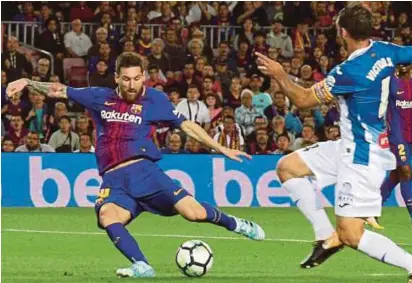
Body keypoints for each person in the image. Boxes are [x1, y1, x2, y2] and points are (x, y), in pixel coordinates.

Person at [6, 52, 265, 278]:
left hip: (144, 172)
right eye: (126, 79)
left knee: (194, 213)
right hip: (114, 181)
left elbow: (185, 125)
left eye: (137, 78)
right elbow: (57, 90)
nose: (132, 85)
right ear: (117, 77)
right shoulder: (99, 97)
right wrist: (27, 82)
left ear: (144, 77)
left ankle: (237, 224)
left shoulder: (156, 100)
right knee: (108, 216)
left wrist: (219, 147)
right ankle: (142, 265)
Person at [256, 3, 412, 281]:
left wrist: (281, 75)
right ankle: (324, 236)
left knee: (352, 235)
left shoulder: (349, 71)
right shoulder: (388, 50)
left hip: (362, 157)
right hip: (349, 145)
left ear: (342, 31)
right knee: (287, 167)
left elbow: (304, 100)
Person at [367, 65, 412, 231]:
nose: (403, 65)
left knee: (397, 175)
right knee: (406, 171)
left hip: (409, 135)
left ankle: (371, 210)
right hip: (394, 134)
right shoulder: (390, 82)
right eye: (400, 62)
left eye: (406, 62)